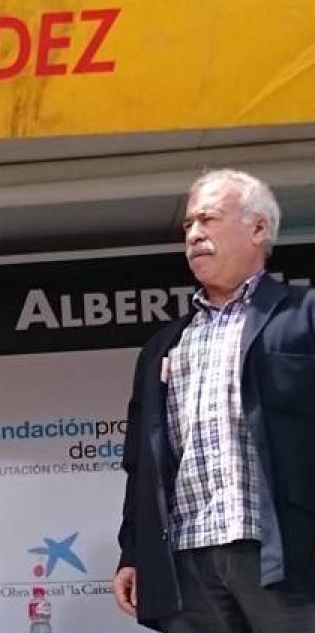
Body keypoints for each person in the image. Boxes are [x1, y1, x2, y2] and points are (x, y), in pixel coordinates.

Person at [115, 169, 315, 632]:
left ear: (258, 229)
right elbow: (140, 463)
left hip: (285, 553)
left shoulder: (303, 315)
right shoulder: (163, 345)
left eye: (208, 219)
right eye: (188, 225)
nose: (194, 235)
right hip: (187, 560)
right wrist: (134, 550)